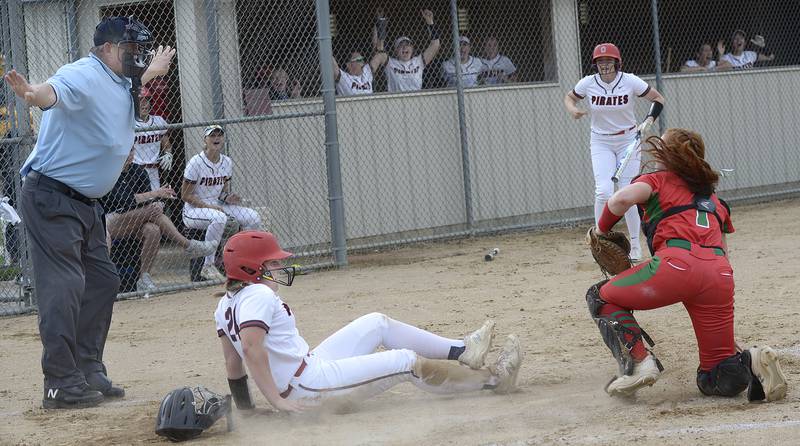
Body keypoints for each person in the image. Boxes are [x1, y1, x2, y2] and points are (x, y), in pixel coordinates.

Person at [4, 16, 175, 408]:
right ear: (109, 49)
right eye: (132, 51)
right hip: (52, 197)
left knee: (101, 280)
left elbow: (128, 85)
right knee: (64, 285)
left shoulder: (120, 78)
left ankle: (87, 368)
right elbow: (55, 92)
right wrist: (33, 93)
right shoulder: (82, 73)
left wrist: (151, 71)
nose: (140, 58)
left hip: (85, 204)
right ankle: (60, 383)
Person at [215, 230, 523, 413]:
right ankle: (493, 381)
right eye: (273, 262)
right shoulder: (259, 294)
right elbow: (252, 350)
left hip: (306, 371)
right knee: (405, 362)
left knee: (377, 322)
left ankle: (463, 350)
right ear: (252, 268)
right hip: (306, 387)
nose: (280, 266)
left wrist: (248, 410)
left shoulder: (225, 304)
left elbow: (233, 363)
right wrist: (278, 402)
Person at [584, 128, 788, 401]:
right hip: (719, 274)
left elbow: (620, 199)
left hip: (676, 265)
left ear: (668, 156)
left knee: (600, 296)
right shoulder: (716, 201)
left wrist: (601, 230)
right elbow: (722, 253)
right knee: (714, 376)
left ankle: (639, 364)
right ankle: (750, 361)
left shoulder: (657, 180)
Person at [563, 43, 665, 261]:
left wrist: (648, 120)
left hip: (629, 139)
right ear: (595, 64)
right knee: (603, 191)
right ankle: (599, 242)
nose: (605, 65)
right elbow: (569, 97)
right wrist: (573, 110)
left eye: (609, 61)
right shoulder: (589, 83)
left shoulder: (629, 80)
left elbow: (658, 99)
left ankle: (636, 246)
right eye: (600, 62)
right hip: (600, 141)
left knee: (627, 192)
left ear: (617, 63)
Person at [100, 147, 216, 293]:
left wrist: (157, 202)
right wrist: (156, 193)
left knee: (153, 230)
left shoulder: (138, 171)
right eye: (125, 151)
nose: (128, 155)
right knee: (151, 211)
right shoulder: (111, 172)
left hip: (136, 218)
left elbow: (146, 200)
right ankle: (187, 245)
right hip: (110, 221)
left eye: (131, 151)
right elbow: (126, 200)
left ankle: (144, 278)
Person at [181, 125, 262, 281]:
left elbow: (222, 193)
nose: (216, 138)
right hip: (194, 210)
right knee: (219, 218)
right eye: (212, 136)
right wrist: (210, 207)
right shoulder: (195, 162)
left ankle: (246, 260)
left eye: (219, 135)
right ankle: (208, 266)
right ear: (205, 140)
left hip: (218, 205)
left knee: (253, 217)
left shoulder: (226, 162)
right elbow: (185, 195)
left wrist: (229, 197)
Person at [384, 9, 441, 93]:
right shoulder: (390, 63)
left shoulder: (418, 61)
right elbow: (378, 50)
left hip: (416, 100)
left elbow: (435, 44)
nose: (404, 47)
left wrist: (430, 22)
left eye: (407, 44)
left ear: (412, 49)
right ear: (396, 51)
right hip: (396, 101)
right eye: (400, 45)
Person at [133, 87, 172, 190]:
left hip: (153, 169)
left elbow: (166, 142)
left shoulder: (158, 121)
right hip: (135, 169)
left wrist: (168, 153)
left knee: (154, 200)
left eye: (146, 101)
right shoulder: (130, 122)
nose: (144, 104)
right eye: (140, 101)